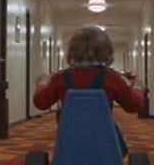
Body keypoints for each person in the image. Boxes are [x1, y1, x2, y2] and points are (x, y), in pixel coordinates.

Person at [33, 26, 146, 155]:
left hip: (69, 133)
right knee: (116, 129)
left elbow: (40, 103)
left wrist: (42, 83)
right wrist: (137, 88)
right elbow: (133, 105)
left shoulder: (60, 78)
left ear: (72, 51)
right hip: (103, 133)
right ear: (107, 51)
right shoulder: (112, 78)